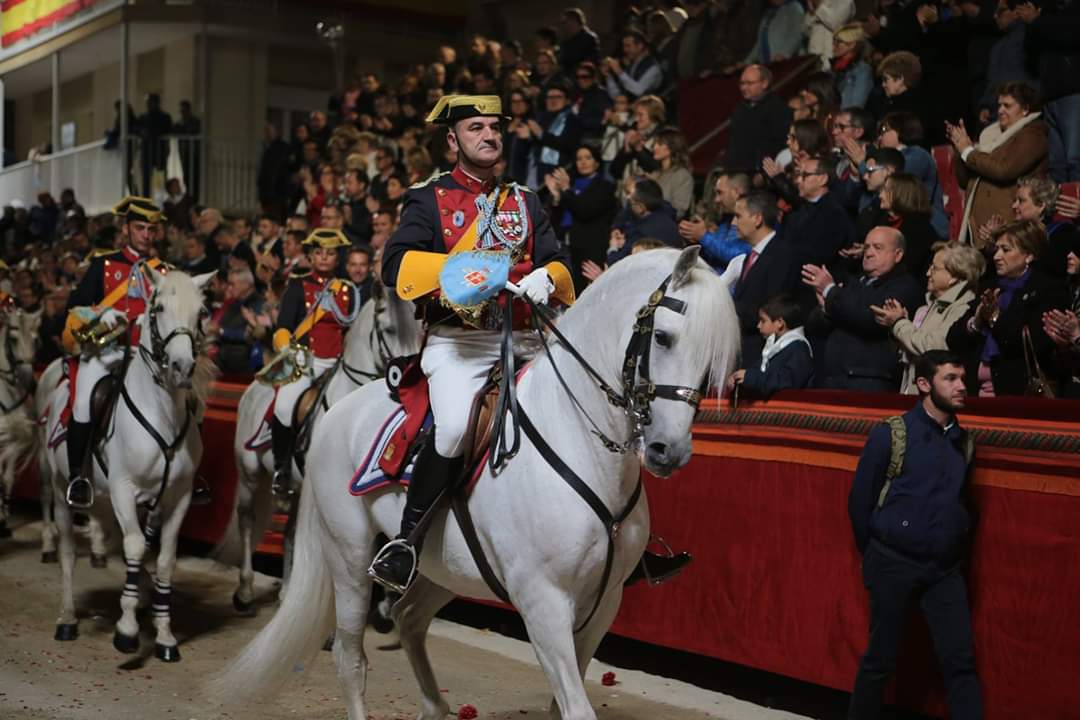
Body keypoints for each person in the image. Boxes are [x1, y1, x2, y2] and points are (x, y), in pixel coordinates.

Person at [369, 95, 575, 592]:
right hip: (460, 342)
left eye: (494, 128)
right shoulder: (428, 198)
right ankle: (405, 542)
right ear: (452, 141)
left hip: (525, 337)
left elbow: (558, 259)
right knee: (454, 428)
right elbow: (396, 265)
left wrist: (547, 276)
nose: (489, 135)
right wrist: (476, 273)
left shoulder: (524, 201)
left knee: (582, 404)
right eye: (476, 128)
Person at [846, 349, 983, 720]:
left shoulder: (964, 442)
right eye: (950, 379)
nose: (961, 387)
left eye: (963, 379)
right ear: (924, 384)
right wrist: (876, 554)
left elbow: (962, 503)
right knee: (880, 661)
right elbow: (860, 502)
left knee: (960, 662)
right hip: (893, 562)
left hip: (944, 571)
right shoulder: (892, 433)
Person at [61, 197, 172, 508]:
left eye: (152, 229)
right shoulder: (104, 265)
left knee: (186, 399)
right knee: (84, 402)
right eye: (140, 228)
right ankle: (77, 477)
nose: (147, 235)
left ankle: (185, 472)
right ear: (126, 229)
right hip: (104, 350)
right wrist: (100, 315)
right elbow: (75, 308)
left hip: (146, 355)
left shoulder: (164, 271)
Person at [269, 229, 358, 496]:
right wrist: (288, 351)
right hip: (305, 360)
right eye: (318, 253)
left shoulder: (346, 289)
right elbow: (283, 326)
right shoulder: (298, 286)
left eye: (330, 253)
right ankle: (281, 467)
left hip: (338, 363)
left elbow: (350, 328)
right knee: (284, 406)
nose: (324, 258)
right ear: (309, 256)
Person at [947, 220, 1069, 396]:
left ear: (1028, 255)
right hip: (974, 391)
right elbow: (953, 338)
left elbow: (1034, 343)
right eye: (996, 249)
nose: (996, 256)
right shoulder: (991, 287)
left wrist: (995, 317)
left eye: (1006, 250)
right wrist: (976, 322)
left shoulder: (1048, 290)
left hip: (1018, 393)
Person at [802, 226, 924, 391]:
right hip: (833, 379)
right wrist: (825, 309)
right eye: (866, 247)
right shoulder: (856, 282)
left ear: (898, 255)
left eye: (878, 248)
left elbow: (868, 320)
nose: (868, 253)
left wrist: (830, 290)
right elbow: (813, 326)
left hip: (869, 382)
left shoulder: (904, 286)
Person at [873, 242, 985, 394]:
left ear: (954, 276)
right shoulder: (930, 305)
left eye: (935, 268)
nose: (928, 273)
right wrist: (896, 326)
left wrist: (900, 323)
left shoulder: (963, 307)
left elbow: (934, 347)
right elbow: (913, 348)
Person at [948, 82, 1049, 247]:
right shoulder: (988, 137)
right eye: (999, 105)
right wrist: (960, 150)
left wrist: (968, 151)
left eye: (1007, 105)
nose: (1000, 110)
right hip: (979, 229)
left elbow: (1003, 170)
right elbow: (965, 181)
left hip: (1009, 226)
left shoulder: (1033, 135)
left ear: (1025, 109)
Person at [720, 191, 803, 368]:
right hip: (746, 351)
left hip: (764, 356)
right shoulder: (751, 256)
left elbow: (773, 306)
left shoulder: (782, 254)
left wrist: (725, 304)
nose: (733, 223)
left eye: (738, 216)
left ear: (757, 219)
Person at [545, 144, 617, 293]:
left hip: (592, 248)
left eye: (588, 158)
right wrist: (557, 197)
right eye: (579, 159)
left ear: (597, 162)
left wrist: (565, 190)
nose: (583, 162)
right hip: (568, 246)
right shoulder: (571, 185)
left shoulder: (605, 187)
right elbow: (556, 218)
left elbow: (585, 211)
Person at [727, 293, 813, 398]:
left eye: (763, 321)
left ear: (780, 323)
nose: (758, 325)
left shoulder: (799, 349)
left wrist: (751, 377)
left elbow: (787, 382)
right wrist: (739, 377)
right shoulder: (773, 345)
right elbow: (758, 371)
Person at [725, 65, 793, 176]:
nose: (744, 88)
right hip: (736, 173)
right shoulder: (740, 108)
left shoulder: (778, 109)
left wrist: (763, 174)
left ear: (764, 83)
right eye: (742, 83)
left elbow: (780, 144)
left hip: (761, 176)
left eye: (749, 83)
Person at [678, 171, 752, 271]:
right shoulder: (726, 220)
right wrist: (695, 238)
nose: (716, 199)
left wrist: (703, 236)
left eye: (720, 192)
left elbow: (737, 257)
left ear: (737, 192)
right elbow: (713, 258)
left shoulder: (753, 219)